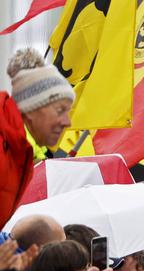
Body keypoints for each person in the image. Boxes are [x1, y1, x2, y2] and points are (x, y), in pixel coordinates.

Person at [1, 49, 74, 228]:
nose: (68, 122)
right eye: (60, 110)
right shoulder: (6, 148)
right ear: (31, 108)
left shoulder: (17, 152)